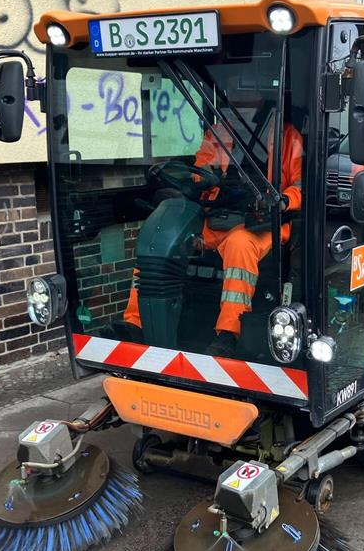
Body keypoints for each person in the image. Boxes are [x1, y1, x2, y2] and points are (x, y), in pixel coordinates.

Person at [121, 86, 303, 356]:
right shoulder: (219, 133)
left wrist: (283, 201)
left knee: (240, 244)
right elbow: (201, 169)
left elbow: (301, 185)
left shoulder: (288, 136)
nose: (238, 96)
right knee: (161, 239)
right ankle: (135, 323)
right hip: (219, 217)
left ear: (263, 96)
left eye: (245, 90)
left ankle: (229, 332)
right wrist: (193, 182)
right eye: (235, 90)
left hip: (266, 221)